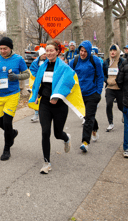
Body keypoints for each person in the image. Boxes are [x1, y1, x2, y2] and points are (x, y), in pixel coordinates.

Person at [29, 40, 85, 174]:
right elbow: (36, 78)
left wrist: (57, 96)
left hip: (59, 105)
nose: (48, 53)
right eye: (46, 51)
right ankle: (46, 162)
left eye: (51, 50)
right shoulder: (42, 66)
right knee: (45, 132)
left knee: (57, 133)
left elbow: (69, 82)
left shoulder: (64, 67)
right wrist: (36, 93)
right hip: (44, 105)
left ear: (57, 52)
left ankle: (66, 138)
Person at [0, 37, 29, 160]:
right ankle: (12, 133)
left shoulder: (18, 59)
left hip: (12, 94)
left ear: (10, 48)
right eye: (0, 48)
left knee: (7, 122)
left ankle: (6, 149)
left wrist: (16, 76)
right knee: (0, 123)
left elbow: (27, 74)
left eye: (5, 48)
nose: (2, 51)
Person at [69, 40, 104, 152]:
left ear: (89, 51)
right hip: (79, 95)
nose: (83, 53)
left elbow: (100, 77)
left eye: (85, 51)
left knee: (88, 118)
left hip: (92, 93)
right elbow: (69, 77)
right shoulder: (73, 62)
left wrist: (98, 92)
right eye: (81, 50)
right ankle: (95, 127)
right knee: (87, 115)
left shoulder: (95, 61)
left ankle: (85, 142)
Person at [103, 44, 125, 132]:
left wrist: (120, 81)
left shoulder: (122, 62)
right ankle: (110, 123)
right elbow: (103, 74)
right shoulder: (106, 62)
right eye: (111, 50)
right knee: (109, 104)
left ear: (118, 52)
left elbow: (124, 73)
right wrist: (106, 80)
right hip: (109, 88)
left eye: (114, 50)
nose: (112, 52)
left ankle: (125, 114)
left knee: (120, 106)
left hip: (119, 88)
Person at [29, 47, 47, 123]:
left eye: (45, 54)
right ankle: (36, 114)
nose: (45, 55)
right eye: (43, 54)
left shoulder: (48, 61)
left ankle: (45, 114)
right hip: (37, 83)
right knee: (36, 98)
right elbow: (32, 71)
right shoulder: (35, 62)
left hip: (46, 82)